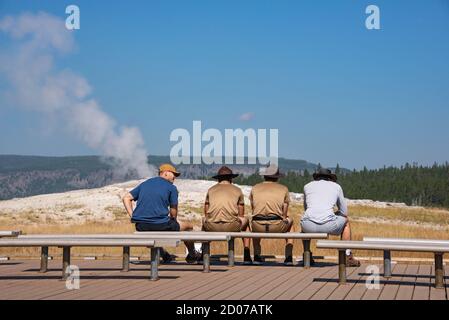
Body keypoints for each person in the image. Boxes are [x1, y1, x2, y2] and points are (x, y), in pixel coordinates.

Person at [122, 163, 200, 264]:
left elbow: (126, 198)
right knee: (188, 226)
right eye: (174, 174)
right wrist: (173, 220)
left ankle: (164, 255)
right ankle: (192, 255)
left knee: (152, 234)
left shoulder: (145, 184)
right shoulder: (171, 187)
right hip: (162, 225)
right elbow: (173, 210)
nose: (175, 177)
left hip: (142, 226)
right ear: (166, 173)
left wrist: (132, 216)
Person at [300, 168, 360, 267]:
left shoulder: (307, 186)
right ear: (330, 178)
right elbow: (344, 212)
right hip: (328, 224)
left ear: (317, 177)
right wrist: (335, 214)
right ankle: (347, 256)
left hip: (308, 225)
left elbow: (306, 208)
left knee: (305, 223)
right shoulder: (336, 187)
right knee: (346, 222)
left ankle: (307, 256)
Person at [202, 166, 252, 264]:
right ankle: (246, 254)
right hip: (231, 226)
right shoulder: (237, 190)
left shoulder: (211, 190)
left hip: (212, 226)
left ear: (218, 179)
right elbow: (241, 214)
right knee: (246, 223)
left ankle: (202, 254)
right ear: (231, 178)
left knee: (204, 221)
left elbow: (206, 211)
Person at [249, 164, 294, 266]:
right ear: (277, 177)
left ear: (264, 176)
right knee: (291, 224)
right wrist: (284, 217)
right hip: (277, 225)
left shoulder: (255, 188)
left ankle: (256, 255)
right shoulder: (283, 188)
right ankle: (288, 257)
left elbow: (253, 208)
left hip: (258, 225)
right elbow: (285, 210)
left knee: (254, 222)